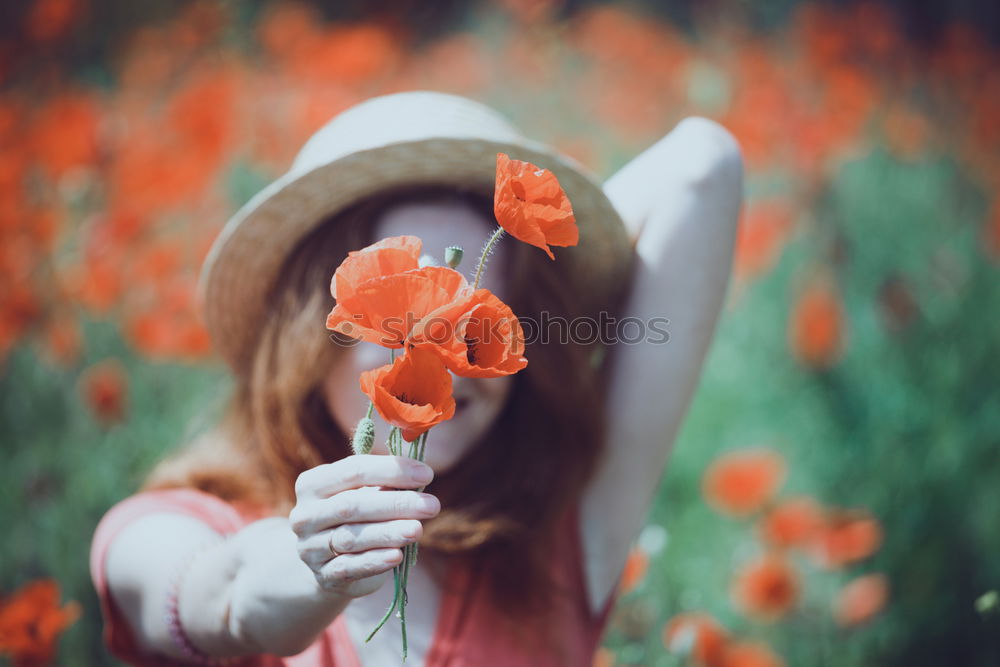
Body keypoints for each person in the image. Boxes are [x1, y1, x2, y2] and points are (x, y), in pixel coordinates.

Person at [89, 91, 742, 666]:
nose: (447, 359)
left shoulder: (562, 542)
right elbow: (222, 592)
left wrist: (536, 259)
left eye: (477, 322)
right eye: (409, 315)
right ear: (312, 332)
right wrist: (310, 572)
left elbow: (702, 166)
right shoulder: (171, 526)